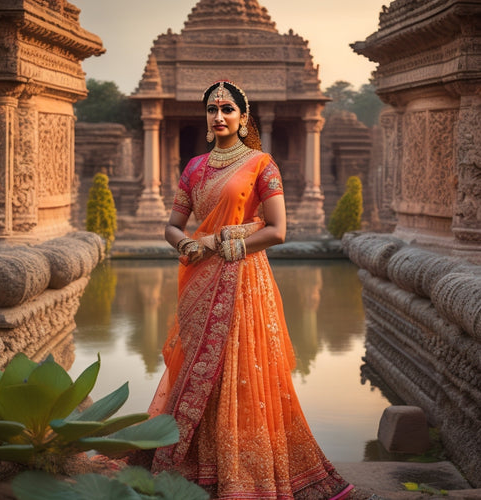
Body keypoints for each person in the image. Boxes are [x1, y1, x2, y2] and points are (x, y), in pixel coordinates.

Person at [147, 80, 357, 499]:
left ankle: (246, 471)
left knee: (243, 370)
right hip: (199, 279)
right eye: (211, 109)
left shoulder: (262, 164)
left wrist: (231, 244)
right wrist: (186, 242)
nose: (218, 116)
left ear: (243, 118)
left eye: (227, 109)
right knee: (198, 368)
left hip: (243, 278)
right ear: (205, 118)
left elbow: (278, 230)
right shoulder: (193, 168)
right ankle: (197, 467)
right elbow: (172, 225)